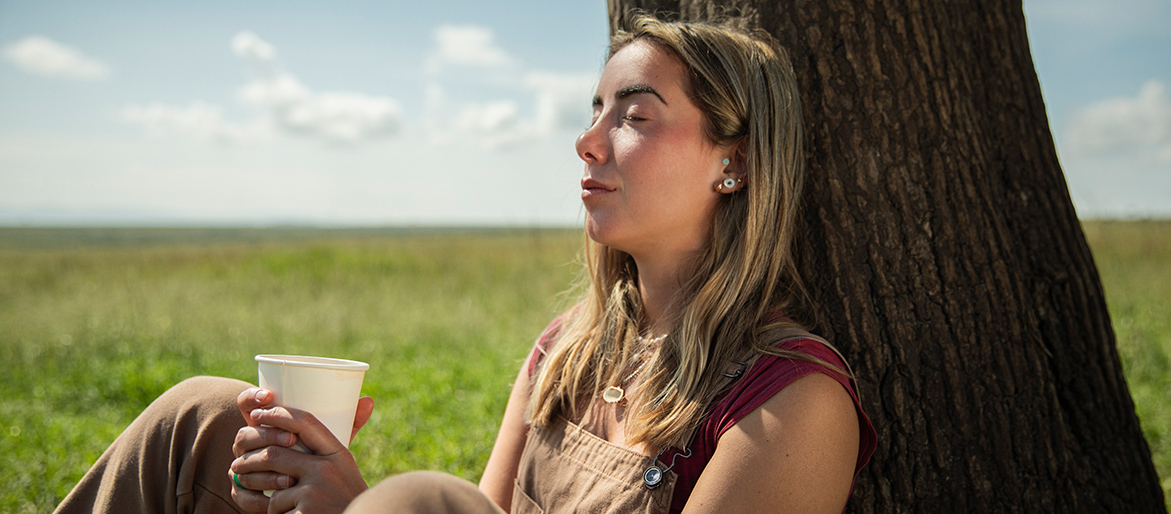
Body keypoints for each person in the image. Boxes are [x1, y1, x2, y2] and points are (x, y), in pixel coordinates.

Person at [55, 14, 876, 514]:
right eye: (594, 111)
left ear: (734, 163)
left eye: (634, 116)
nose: (587, 141)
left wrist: (367, 508)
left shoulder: (792, 403)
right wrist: (310, 486)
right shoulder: (567, 349)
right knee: (206, 415)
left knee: (420, 500)